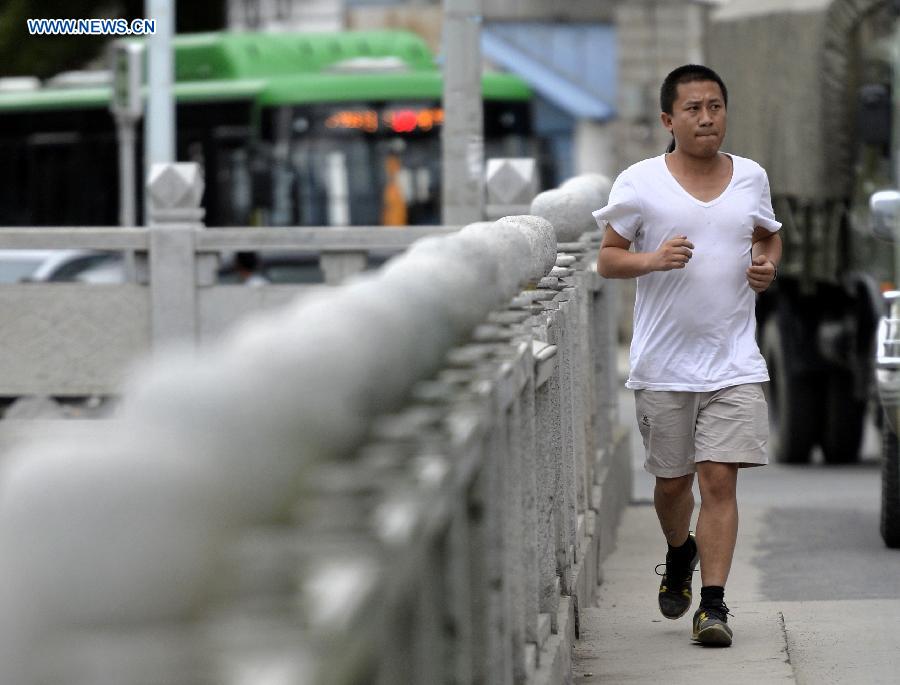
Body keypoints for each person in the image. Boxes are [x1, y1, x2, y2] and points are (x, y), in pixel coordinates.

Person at [592, 64, 782, 647]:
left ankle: (714, 606)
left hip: (733, 361)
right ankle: (680, 553)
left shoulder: (750, 176)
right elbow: (607, 258)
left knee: (718, 479)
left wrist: (767, 265)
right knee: (674, 485)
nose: (707, 118)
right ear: (668, 120)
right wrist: (652, 259)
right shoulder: (640, 182)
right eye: (694, 109)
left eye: (715, 107)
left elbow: (768, 233)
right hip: (664, 365)